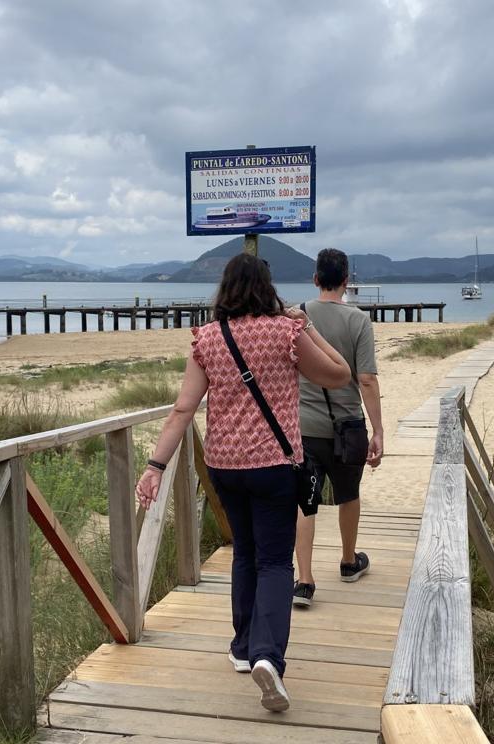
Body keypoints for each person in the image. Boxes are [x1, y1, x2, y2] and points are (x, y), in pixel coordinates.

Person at [135, 253, 350, 713]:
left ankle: (241, 645)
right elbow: (339, 374)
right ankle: (268, 657)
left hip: (224, 466)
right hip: (274, 464)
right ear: (267, 287)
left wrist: (155, 465)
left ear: (225, 290)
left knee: (246, 554)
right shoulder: (285, 331)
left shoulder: (208, 339)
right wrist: (307, 326)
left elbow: (182, 409)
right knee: (275, 561)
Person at [292, 249, 384, 608]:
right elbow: (366, 379)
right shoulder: (358, 320)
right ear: (346, 281)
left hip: (305, 426)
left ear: (315, 279)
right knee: (349, 494)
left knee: (305, 502)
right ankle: (348, 561)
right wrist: (378, 430)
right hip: (348, 426)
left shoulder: (298, 315)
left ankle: (305, 580)